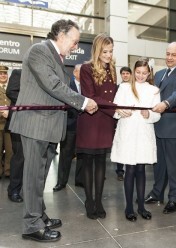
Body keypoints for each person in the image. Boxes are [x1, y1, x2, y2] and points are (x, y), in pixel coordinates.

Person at [9, 19, 98, 242]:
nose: (76, 47)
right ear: (61, 35)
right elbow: (53, 85)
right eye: (75, 42)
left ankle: (39, 216)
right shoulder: (39, 50)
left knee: (39, 177)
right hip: (35, 124)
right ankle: (31, 226)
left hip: (48, 126)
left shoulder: (57, 57)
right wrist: (83, 102)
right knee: (33, 178)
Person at [145, 41, 176, 214]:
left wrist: (166, 103)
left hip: (174, 126)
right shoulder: (158, 74)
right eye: (168, 54)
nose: (170, 58)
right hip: (158, 125)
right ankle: (157, 193)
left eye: (173, 55)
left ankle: (174, 198)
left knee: (174, 165)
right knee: (159, 165)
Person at [111, 58, 161, 222]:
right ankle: (129, 207)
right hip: (128, 132)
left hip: (144, 133)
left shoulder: (154, 90)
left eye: (144, 73)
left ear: (149, 73)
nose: (141, 76)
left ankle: (141, 206)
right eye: (138, 72)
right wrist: (120, 111)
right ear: (134, 72)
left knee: (141, 170)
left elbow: (157, 113)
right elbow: (115, 108)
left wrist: (150, 115)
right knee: (129, 170)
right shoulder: (124, 87)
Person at [76, 33, 117, 220]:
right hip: (91, 120)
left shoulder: (112, 69)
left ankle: (98, 200)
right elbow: (90, 95)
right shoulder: (86, 68)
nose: (108, 55)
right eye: (105, 51)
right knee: (88, 163)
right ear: (97, 50)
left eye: (111, 51)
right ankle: (89, 200)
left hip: (106, 120)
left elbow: (113, 95)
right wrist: (116, 109)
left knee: (101, 162)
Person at [53, 64, 83, 192]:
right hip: (70, 124)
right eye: (81, 72)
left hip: (84, 126)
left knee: (82, 154)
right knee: (66, 154)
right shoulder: (67, 85)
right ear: (75, 72)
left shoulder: (87, 86)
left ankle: (80, 180)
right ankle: (61, 182)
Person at [6, 69, 24, 203]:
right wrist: (32, 101)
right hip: (18, 122)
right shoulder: (18, 72)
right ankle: (14, 190)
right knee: (19, 156)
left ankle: (25, 189)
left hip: (35, 123)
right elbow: (11, 91)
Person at [115, 66, 132, 181]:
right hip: (120, 119)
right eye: (123, 73)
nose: (125, 75)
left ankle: (131, 169)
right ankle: (120, 171)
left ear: (130, 75)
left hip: (132, 120)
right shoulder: (117, 88)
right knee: (121, 145)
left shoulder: (134, 87)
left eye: (127, 73)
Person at [0, 65, 13, 179]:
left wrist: (9, 113)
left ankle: (8, 171)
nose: (3, 75)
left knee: (10, 150)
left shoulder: (12, 87)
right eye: (1, 74)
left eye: (5, 73)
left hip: (9, 124)